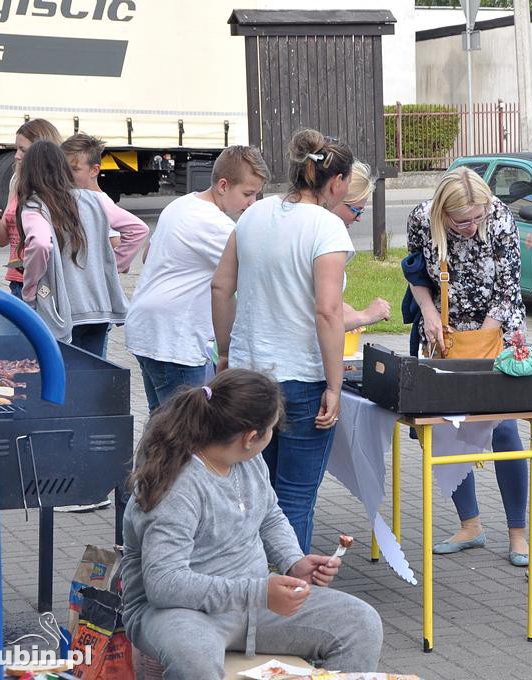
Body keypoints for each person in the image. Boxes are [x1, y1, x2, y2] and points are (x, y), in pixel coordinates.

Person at [121, 369, 383, 679]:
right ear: (250, 437)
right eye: (272, 428)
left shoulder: (247, 459)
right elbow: (165, 585)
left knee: (361, 623)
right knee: (195, 657)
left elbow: (269, 515)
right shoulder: (177, 486)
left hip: (251, 602)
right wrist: (259, 592)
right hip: (179, 611)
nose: (273, 434)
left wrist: (293, 562)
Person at [212, 129, 354, 553]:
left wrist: (225, 352)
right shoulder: (327, 227)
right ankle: (291, 584)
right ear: (337, 181)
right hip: (301, 380)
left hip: (247, 375)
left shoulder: (254, 214)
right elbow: (328, 311)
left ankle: (253, 580)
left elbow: (221, 287)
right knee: (294, 496)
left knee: (253, 492)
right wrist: (334, 386)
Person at [405, 166, 529, 566]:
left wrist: (481, 346)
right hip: (445, 330)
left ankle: (518, 533)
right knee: (448, 429)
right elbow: (416, 274)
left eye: (478, 217)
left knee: (503, 428)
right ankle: (470, 525)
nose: (472, 226)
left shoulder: (500, 218)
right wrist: (428, 313)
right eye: (462, 221)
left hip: (496, 330)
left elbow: (508, 289)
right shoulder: (421, 219)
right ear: (443, 213)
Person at [126, 146, 269, 413]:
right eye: (247, 194)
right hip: (175, 338)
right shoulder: (216, 225)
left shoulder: (182, 204)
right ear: (223, 186)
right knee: (186, 428)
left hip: (146, 328)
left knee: (161, 423)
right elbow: (257, 275)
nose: (252, 203)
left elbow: (147, 255)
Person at [17, 140, 148, 357]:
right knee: (93, 370)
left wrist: (29, 292)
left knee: (65, 372)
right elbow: (139, 229)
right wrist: (111, 268)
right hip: (99, 307)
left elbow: (40, 243)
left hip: (64, 310)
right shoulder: (94, 199)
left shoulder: (35, 205)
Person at [0, 119, 63, 301]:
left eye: (23, 150)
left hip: (44, 286)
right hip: (17, 282)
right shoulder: (17, 182)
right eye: (16, 149)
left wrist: (31, 286)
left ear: (42, 152)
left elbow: (44, 243)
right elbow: (2, 240)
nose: (17, 156)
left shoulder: (58, 189)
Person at [330, 161, 390, 330]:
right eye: (356, 210)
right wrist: (364, 316)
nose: (358, 218)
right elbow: (324, 316)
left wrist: (344, 309)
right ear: (337, 197)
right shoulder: (330, 237)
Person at [61, 133, 121, 250]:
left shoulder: (102, 203)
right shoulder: (73, 197)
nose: (66, 175)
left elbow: (116, 244)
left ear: (94, 170)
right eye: (63, 168)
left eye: (74, 169)